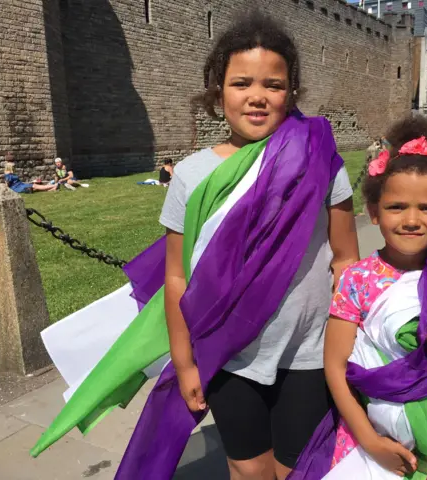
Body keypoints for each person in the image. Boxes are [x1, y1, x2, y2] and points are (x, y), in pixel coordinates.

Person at [30, 11, 360, 480]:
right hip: (227, 351)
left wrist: (360, 340)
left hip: (310, 350)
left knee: (298, 469)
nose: (257, 97)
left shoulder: (319, 159)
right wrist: (185, 364)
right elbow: (176, 276)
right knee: (248, 469)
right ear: (218, 91)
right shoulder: (191, 174)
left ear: (291, 92)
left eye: (274, 84)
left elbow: (347, 260)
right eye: (241, 82)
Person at [289, 116, 427, 480]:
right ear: (373, 213)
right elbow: (336, 368)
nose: (412, 220)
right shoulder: (357, 279)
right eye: (396, 207)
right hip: (368, 432)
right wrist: (371, 442)